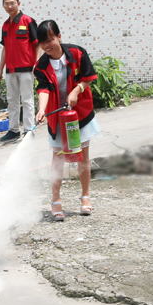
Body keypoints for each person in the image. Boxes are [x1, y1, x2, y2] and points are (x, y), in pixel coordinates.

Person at [34, 20, 100, 222]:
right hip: (58, 118)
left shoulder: (77, 53)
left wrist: (76, 90)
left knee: (83, 157)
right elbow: (43, 89)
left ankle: (85, 197)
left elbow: (88, 78)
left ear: (59, 37)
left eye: (50, 39)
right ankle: (55, 201)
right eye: (42, 42)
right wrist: (42, 109)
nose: (47, 45)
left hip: (80, 114)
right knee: (57, 159)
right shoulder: (41, 65)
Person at [0, 0, 40, 142]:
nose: (9, 6)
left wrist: (36, 63)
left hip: (26, 68)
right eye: (6, 3)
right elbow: (5, 48)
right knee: (12, 100)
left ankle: (29, 130)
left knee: (27, 100)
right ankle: (13, 130)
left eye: (12, 3)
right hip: (11, 70)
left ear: (18, 3)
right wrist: (0, 68)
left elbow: (37, 43)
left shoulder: (28, 21)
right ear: (3, 6)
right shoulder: (5, 25)